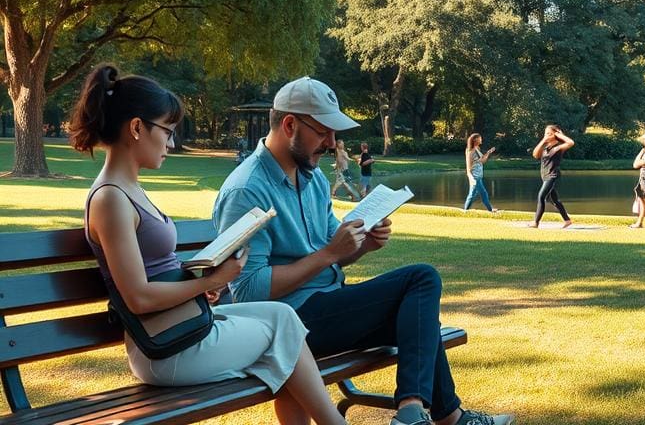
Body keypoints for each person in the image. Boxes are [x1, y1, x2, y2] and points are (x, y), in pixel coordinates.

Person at [213, 77, 514, 425]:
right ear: (290, 124)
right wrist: (328, 254)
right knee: (421, 278)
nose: (331, 143)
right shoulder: (247, 189)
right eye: (323, 131)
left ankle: (443, 417)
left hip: (327, 306)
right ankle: (414, 413)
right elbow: (248, 291)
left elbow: (333, 251)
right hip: (289, 324)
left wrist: (361, 246)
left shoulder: (311, 178)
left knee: (419, 317)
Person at [70, 64, 345, 425]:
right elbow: (138, 297)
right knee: (284, 330)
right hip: (165, 350)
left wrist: (199, 282)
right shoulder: (111, 199)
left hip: (181, 329)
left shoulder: (129, 191)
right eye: (167, 131)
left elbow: (153, 272)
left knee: (285, 318)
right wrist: (209, 282)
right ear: (137, 128)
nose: (170, 142)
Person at [529, 124, 575, 229]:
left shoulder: (559, 147)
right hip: (544, 176)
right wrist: (543, 140)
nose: (546, 135)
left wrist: (560, 135)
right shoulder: (545, 148)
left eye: (549, 133)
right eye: (545, 133)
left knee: (541, 196)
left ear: (555, 134)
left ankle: (535, 222)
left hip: (552, 176)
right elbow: (535, 154)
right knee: (554, 200)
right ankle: (567, 220)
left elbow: (571, 142)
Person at [463, 133, 499, 212]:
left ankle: (465, 210)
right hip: (475, 177)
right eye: (480, 138)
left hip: (479, 176)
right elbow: (468, 167)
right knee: (482, 194)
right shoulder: (470, 151)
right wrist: (471, 178)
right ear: (475, 140)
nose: (481, 139)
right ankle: (490, 210)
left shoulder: (477, 148)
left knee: (473, 195)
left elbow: (482, 161)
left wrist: (488, 152)